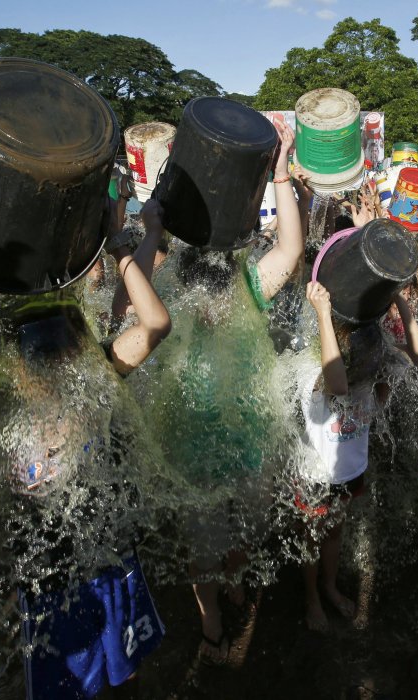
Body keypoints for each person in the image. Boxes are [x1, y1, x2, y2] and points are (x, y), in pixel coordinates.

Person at [0, 202, 172, 699]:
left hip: (110, 558)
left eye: (64, 344)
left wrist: (119, 244)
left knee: (127, 673)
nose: (51, 360)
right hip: (49, 581)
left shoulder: (97, 377)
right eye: (35, 350)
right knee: (68, 688)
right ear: (7, 360)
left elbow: (154, 325)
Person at [141, 119, 304, 664]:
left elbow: (291, 248)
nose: (214, 309)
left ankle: (233, 579)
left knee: (247, 530)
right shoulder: (166, 291)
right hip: (188, 444)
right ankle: (212, 621)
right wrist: (149, 233)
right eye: (206, 298)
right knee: (201, 546)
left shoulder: (250, 289)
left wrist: (280, 174)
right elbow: (128, 302)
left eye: (221, 298)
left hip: (247, 438)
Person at [298, 281, 418, 630]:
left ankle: (328, 586)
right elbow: (338, 384)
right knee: (311, 537)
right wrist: (324, 315)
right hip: (315, 475)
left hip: (350, 470)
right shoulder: (315, 371)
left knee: (335, 531)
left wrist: (398, 297)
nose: (375, 362)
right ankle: (311, 598)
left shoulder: (373, 376)